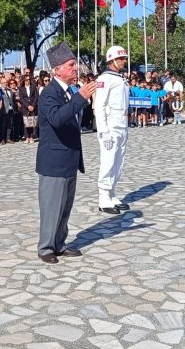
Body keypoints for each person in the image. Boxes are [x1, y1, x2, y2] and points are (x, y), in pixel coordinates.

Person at [35, 42, 97, 264]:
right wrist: (80, 98)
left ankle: (59, 243)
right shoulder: (49, 93)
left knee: (65, 206)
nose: (75, 68)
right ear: (57, 69)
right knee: (52, 206)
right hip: (54, 160)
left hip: (69, 157)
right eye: (71, 65)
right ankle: (46, 247)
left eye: (75, 64)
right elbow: (57, 119)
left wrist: (79, 97)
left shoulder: (70, 91)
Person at [94, 45, 131, 215]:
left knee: (118, 162)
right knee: (108, 160)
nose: (124, 61)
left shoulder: (120, 78)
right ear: (112, 60)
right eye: (121, 59)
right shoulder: (104, 79)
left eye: (124, 58)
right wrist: (103, 130)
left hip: (122, 123)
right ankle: (103, 197)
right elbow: (99, 106)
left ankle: (112, 193)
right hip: (110, 125)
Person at [18, 74, 38, 143]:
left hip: (33, 106)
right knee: (26, 122)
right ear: (24, 80)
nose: (28, 81)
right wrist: (27, 106)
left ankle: (31, 136)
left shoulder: (33, 87)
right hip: (25, 107)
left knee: (32, 121)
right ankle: (27, 137)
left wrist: (33, 105)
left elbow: (36, 97)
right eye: (26, 80)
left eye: (29, 80)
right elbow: (21, 98)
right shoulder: (21, 88)